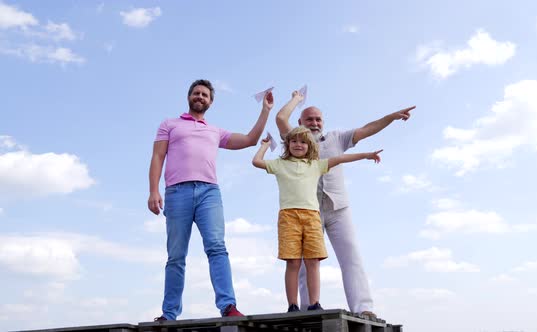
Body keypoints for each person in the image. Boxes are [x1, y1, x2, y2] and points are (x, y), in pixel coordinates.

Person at [275, 90, 415, 317]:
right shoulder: (296, 140)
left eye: (318, 119)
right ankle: (306, 309)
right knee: (304, 263)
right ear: (300, 122)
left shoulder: (336, 138)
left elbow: (367, 129)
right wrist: (297, 100)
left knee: (351, 256)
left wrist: (390, 117)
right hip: (309, 210)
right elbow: (280, 119)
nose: (314, 123)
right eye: (309, 119)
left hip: (339, 207)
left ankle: (363, 307)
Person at [148, 79, 274, 320]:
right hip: (177, 193)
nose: (200, 97)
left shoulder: (215, 132)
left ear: (210, 102)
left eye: (205, 95)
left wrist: (265, 110)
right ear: (189, 97)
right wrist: (154, 191)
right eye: (196, 93)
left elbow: (249, 140)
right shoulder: (169, 124)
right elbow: (157, 157)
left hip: (209, 193)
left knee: (217, 248)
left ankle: (228, 306)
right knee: (176, 255)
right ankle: (169, 313)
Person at [252, 126, 382, 313]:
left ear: (310, 146)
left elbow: (341, 158)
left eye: (303, 142)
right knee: (293, 262)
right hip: (289, 217)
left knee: (313, 261)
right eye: (294, 141)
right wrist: (264, 145)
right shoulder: (280, 164)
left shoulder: (316, 165)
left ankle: (314, 303)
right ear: (287, 144)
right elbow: (256, 161)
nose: (298, 145)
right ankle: (292, 305)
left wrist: (366, 155)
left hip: (312, 216)